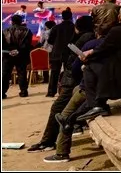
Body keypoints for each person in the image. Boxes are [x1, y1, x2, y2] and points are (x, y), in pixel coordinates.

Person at [27, 16, 95, 153]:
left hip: (72, 78)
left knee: (59, 109)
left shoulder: (82, 37)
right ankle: (59, 139)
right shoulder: (88, 36)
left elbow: (74, 62)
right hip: (75, 78)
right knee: (68, 109)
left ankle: (50, 143)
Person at [46, 10, 76, 97]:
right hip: (70, 53)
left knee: (54, 73)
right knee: (70, 73)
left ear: (62, 17)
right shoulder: (74, 27)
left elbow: (50, 41)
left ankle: (51, 92)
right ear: (71, 17)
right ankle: (68, 92)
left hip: (56, 53)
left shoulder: (56, 27)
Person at [2, 15, 33, 99]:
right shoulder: (27, 31)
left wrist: (11, 50)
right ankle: (24, 92)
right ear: (21, 21)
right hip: (21, 55)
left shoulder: (5, 30)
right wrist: (18, 51)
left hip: (8, 55)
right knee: (22, 73)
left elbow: (3, 44)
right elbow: (27, 45)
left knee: (5, 74)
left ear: (12, 21)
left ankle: (2, 93)